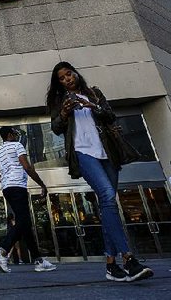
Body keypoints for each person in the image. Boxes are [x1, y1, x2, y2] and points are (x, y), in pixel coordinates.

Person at [47, 61, 153, 282]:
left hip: (107, 152)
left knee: (108, 205)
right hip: (83, 153)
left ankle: (111, 265)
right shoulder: (59, 100)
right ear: (59, 83)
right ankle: (129, 259)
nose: (67, 79)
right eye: (62, 78)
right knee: (106, 195)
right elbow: (56, 128)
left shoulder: (93, 93)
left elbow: (110, 116)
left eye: (69, 74)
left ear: (76, 73)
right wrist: (65, 113)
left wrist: (92, 106)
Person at [0, 126, 57, 273]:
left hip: (7, 188)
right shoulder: (17, 145)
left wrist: (6, 179)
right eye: (14, 133)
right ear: (9, 135)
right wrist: (42, 184)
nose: (16, 135)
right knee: (24, 221)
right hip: (18, 187)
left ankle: (38, 260)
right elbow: (26, 166)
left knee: (24, 223)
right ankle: (2, 251)